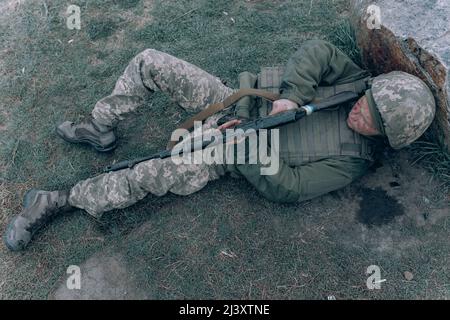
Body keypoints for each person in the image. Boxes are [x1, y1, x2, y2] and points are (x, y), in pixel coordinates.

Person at [3, 40, 436, 251]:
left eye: (372, 121)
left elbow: (290, 187)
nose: (360, 112)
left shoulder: (351, 162)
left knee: (153, 172)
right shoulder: (350, 83)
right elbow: (317, 52)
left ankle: (59, 199)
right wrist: (291, 97)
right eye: (367, 102)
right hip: (232, 99)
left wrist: (241, 145)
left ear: (386, 138)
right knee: (150, 61)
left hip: (229, 152)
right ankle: (100, 126)